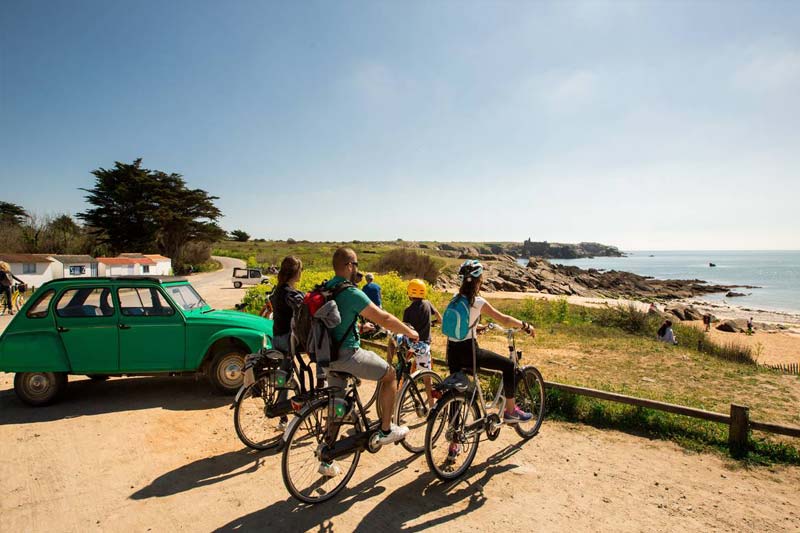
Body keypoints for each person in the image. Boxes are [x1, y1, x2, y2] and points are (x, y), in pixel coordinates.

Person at [321, 247, 419, 476]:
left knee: (337, 406)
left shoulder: (327, 287)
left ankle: (326, 459)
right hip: (348, 355)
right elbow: (383, 318)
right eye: (355, 264)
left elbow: (335, 320)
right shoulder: (351, 292)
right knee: (390, 374)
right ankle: (386, 430)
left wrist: (357, 327)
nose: (357, 268)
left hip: (328, 357)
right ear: (347, 266)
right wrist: (409, 332)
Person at [445, 260, 536, 426]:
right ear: (478, 281)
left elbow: (461, 323)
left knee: (456, 392)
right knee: (508, 365)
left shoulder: (455, 298)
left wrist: (477, 327)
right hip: (469, 353)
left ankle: (454, 439)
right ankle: (510, 411)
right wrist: (525, 326)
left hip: (452, 352)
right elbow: (505, 320)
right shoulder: (478, 302)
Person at [397, 279, 442, 406]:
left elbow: (405, 329)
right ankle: (432, 407)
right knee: (427, 379)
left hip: (411, 346)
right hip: (423, 347)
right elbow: (439, 317)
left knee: (402, 369)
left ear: (409, 293)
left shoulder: (408, 310)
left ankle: (398, 397)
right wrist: (435, 322)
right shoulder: (428, 303)